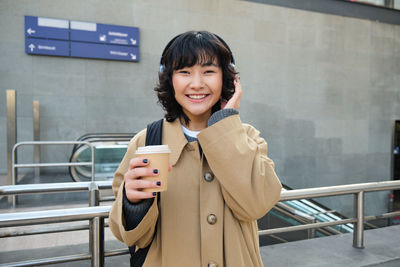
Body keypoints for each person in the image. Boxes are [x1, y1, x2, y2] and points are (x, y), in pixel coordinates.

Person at [109, 31, 282, 267]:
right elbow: (127, 235)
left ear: (228, 79)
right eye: (184, 72)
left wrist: (226, 125)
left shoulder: (247, 137)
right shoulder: (146, 141)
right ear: (169, 79)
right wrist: (133, 203)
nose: (197, 84)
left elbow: (256, 206)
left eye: (209, 72)